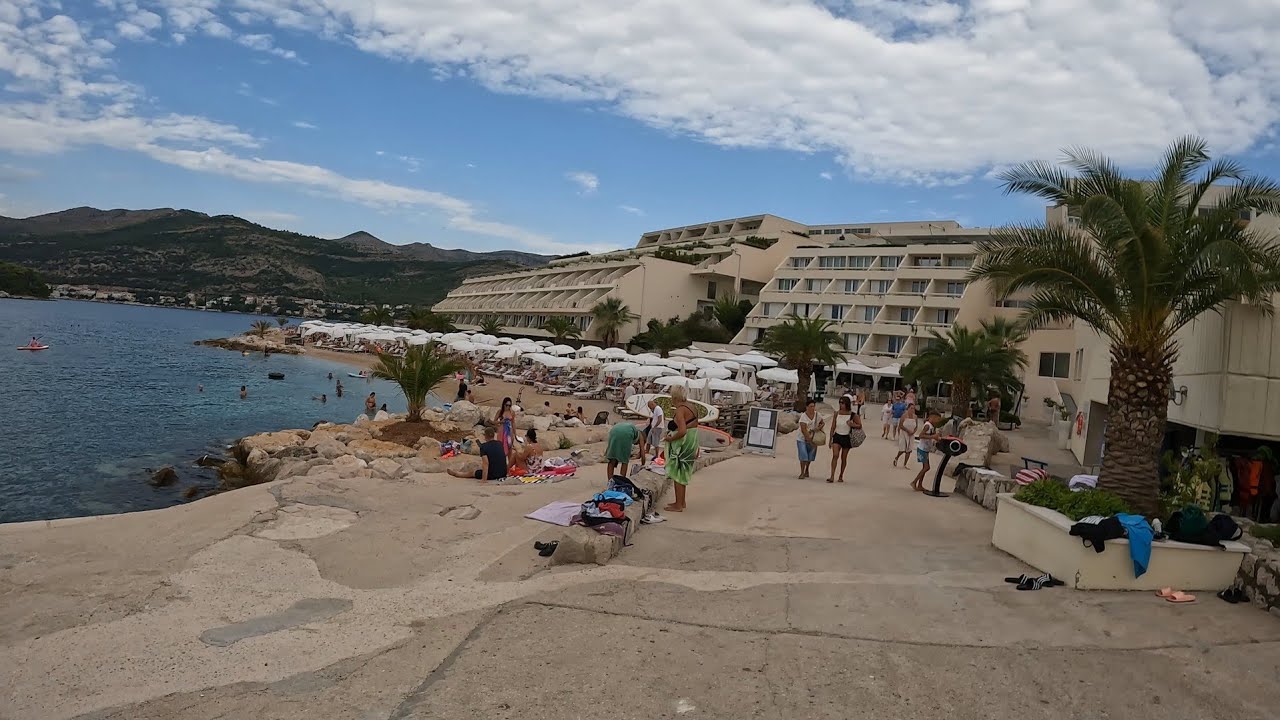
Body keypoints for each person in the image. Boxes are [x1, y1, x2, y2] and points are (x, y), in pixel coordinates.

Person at [663, 385, 700, 512]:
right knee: (682, 473)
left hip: (683, 444)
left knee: (677, 472)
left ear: (674, 396)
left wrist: (670, 439)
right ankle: (681, 501)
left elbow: (683, 431)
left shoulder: (680, 410)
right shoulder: (692, 407)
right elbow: (694, 426)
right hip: (691, 441)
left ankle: (678, 505)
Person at [827, 395, 862, 483]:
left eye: (842, 403)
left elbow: (859, 425)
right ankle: (832, 475)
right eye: (840, 402)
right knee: (835, 455)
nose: (840, 405)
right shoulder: (836, 413)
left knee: (843, 458)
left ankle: (841, 475)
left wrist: (852, 424)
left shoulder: (853, 414)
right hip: (837, 436)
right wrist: (830, 439)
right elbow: (832, 427)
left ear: (847, 404)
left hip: (847, 437)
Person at [912, 411, 943, 492]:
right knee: (926, 467)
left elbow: (932, 436)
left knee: (925, 467)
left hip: (925, 449)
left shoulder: (932, 426)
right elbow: (921, 435)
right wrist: (933, 436)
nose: (938, 421)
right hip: (922, 449)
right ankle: (914, 481)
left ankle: (920, 485)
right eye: (937, 419)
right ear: (933, 417)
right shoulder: (927, 426)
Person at [797, 398, 823, 479]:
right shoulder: (803, 417)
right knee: (803, 455)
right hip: (802, 438)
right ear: (807, 407)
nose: (812, 408)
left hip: (813, 437)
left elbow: (822, 422)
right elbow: (803, 430)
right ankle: (802, 472)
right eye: (811, 406)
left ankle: (807, 469)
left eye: (813, 406)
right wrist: (809, 440)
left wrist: (818, 428)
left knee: (810, 456)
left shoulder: (817, 415)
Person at [893, 401, 919, 468]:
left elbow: (916, 426)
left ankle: (905, 464)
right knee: (903, 449)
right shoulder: (904, 415)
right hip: (904, 433)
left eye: (913, 408)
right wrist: (907, 431)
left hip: (911, 435)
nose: (912, 410)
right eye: (911, 408)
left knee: (909, 450)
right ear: (908, 408)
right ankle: (897, 457)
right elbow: (900, 425)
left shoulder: (915, 417)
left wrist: (913, 432)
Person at [495, 397, 516, 462]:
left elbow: (513, 422)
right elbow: (494, 421)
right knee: (501, 448)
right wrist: (500, 422)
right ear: (503, 404)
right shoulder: (500, 411)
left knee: (509, 447)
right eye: (506, 405)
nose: (508, 407)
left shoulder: (512, 412)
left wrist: (515, 433)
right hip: (501, 431)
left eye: (509, 405)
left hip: (509, 432)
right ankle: (501, 463)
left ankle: (509, 465)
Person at [645, 398, 665, 464]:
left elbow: (660, 419)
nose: (650, 409)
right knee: (649, 439)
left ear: (652, 404)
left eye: (650, 407)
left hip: (657, 428)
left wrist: (655, 426)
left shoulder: (658, 409)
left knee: (656, 442)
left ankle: (656, 455)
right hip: (653, 427)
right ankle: (646, 452)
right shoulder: (655, 410)